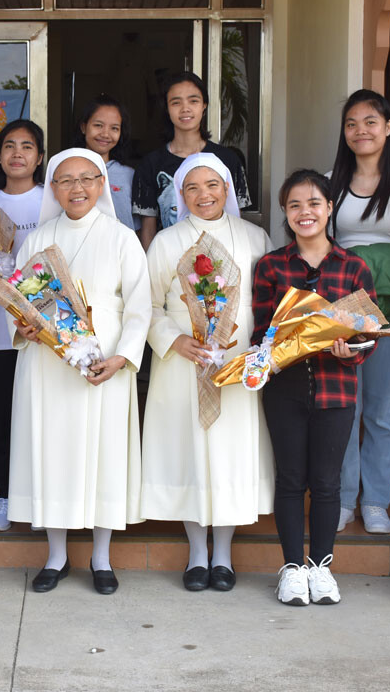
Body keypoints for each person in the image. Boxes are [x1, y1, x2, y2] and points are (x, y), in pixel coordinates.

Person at [8, 147, 150, 595]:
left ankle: (102, 557)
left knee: (104, 454)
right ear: (53, 188)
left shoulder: (123, 237)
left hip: (103, 364)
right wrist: (26, 329)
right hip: (48, 366)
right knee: (52, 453)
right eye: (66, 180)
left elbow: (140, 306)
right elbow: (21, 301)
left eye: (87, 179)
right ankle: (56, 555)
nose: (77, 188)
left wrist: (122, 356)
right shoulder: (36, 239)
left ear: (101, 184)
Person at [140, 153, 273, 593]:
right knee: (189, 450)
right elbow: (150, 306)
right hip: (183, 361)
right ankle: (198, 553)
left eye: (212, 185)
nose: (204, 195)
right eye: (192, 188)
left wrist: (258, 350)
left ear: (228, 189)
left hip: (237, 362)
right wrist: (174, 340)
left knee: (230, 453)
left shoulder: (255, 237)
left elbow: (270, 304)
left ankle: (225, 555)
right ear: (180, 195)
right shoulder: (164, 241)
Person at [253, 169, 376, 606]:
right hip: (284, 390)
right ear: (285, 213)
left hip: (337, 390)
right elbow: (260, 334)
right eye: (295, 205)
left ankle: (321, 567)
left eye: (314, 203)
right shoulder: (271, 266)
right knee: (290, 480)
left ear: (328, 208)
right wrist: (273, 348)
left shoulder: (354, 267)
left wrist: (353, 351)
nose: (305, 212)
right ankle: (291, 569)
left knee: (326, 483)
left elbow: (369, 334)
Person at [328, 89, 390, 535]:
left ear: (387, 128)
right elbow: (322, 247)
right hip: (342, 305)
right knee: (345, 406)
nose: (361, 130)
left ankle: (377, 502)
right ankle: (345, 498)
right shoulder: (329, 182)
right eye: (352, 123)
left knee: (382, 409)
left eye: (371, 121)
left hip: (388, 306)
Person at [0, 120, 45, 531]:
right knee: (2, 413)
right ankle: (4, 496)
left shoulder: (51, 201)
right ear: (0, 155)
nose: (17, 153)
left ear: (40, 157)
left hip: (46, 326)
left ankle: (41, 498)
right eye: (9, 146)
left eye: (27, 146)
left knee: (43, 413)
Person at [133, 71, 250, 251]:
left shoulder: (227, 160)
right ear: (166, 108)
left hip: (220, 261)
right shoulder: (151, 164)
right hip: (169, 259)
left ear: (204, 105)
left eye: (193, 101)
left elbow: (236, 218)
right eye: (176, 102)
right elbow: (148, 229)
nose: (185, 108)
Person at [73, 93, 138, 231]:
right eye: (98, 125)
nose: (105, 134)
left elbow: (137, 227)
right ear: (83, 127)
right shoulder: (66, 171)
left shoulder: (129, 175)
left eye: (114, 128)